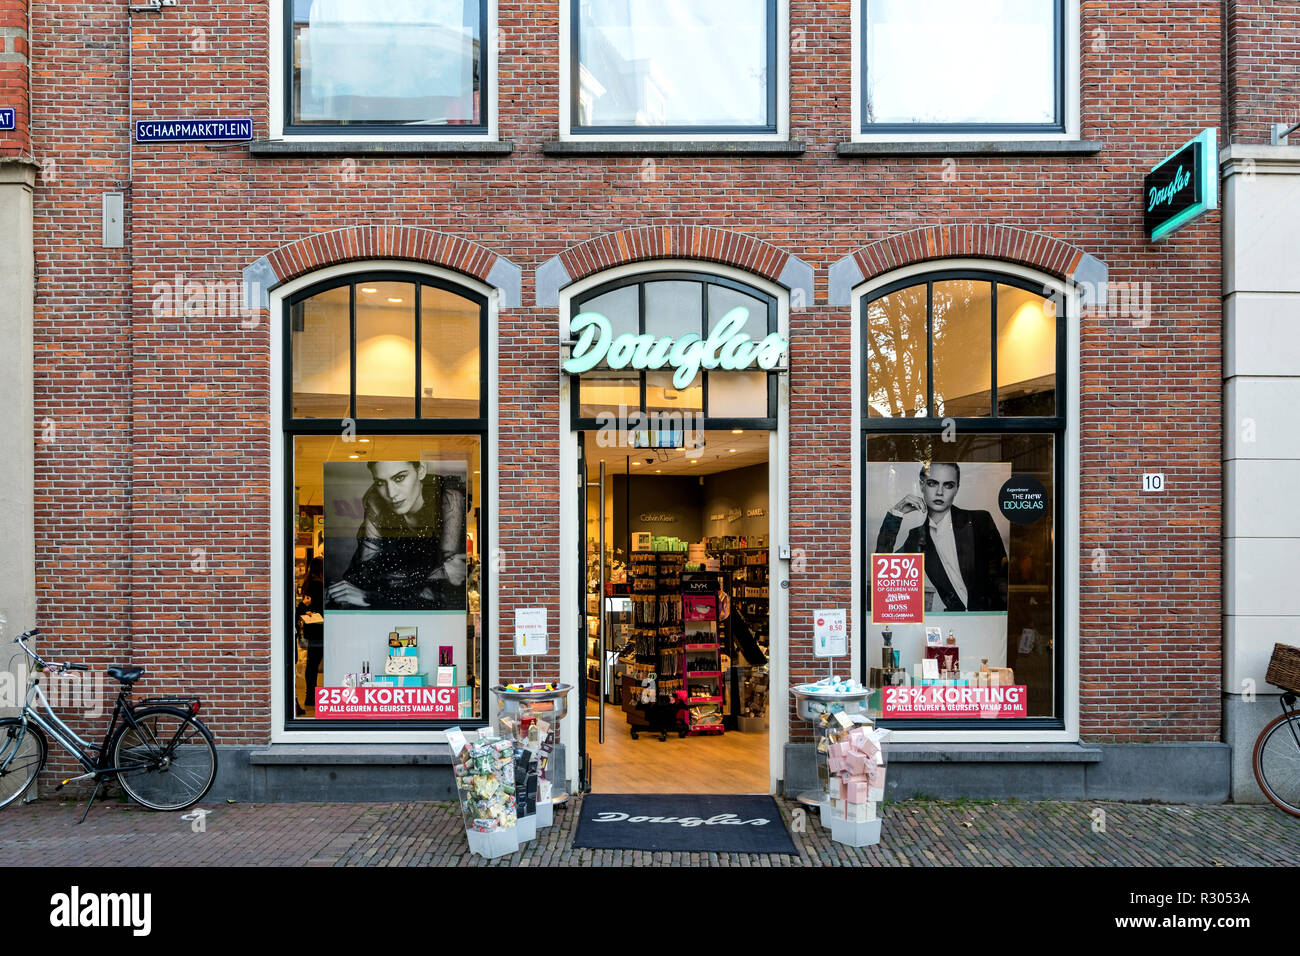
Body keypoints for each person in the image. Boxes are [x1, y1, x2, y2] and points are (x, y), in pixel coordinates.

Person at [327, 460, 467, 610]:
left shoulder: (448, 499)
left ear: (421, 471)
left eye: (399, 478)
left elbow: (450, 581)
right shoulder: (376, 500)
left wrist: (370, 596)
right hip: (398, 603)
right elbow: (365, 572)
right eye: (380, 482)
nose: (391, 493)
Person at [875, 462, 1008, 612]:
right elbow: (884, 576)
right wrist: (896, 514)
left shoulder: (979, 521)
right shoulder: (916, 537)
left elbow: (1002, 578)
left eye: (948, 485)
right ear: (922, 485)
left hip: (989, 619)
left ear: (956, 489)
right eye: (932, 483)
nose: (939, 492)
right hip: (953, 621)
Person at [296, 555, 325, 717]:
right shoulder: (318, 584)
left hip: (311, 628)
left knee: (312, 663)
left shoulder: (308, 583)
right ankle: (311, 696)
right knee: (314, 663)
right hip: (319, 628)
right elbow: (321, 607)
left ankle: (310, 696)